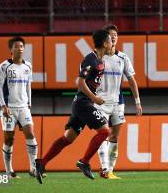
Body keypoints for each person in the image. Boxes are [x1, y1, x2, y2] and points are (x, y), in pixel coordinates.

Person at [36, 30, 113, 180]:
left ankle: (42, 162)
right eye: (110, 40)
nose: (112, 43)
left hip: (81, 103)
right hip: (83, 103)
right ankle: (84, 162)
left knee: (68, 138)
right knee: (105, 132)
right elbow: (79, 81)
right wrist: (94, 98)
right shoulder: (91, 60)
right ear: (104, 43)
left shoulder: (99, 60)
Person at [96, 24, 143, 179]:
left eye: (115, 34)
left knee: (114, 136)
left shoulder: (122, 57)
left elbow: (131, 80)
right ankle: (103, 168)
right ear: (105, 39)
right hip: (100, 102)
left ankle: (110, 170)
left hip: (118, 102)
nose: (114, 37)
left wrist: (137, 101)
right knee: (103, 133)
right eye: (110, 35)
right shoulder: (97, 57)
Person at [0, 37, 41, 183]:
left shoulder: (28, 66)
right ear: (11, 50)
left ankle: (33, 169)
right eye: (17, 46)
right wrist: (3, 105)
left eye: (22, 46)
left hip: (23, 107)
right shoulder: (4, 66)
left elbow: (28, 86)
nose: (20, 48)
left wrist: (29, 103)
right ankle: (9, 171)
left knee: (30, 134)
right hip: (9, 108)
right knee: (9, 139)